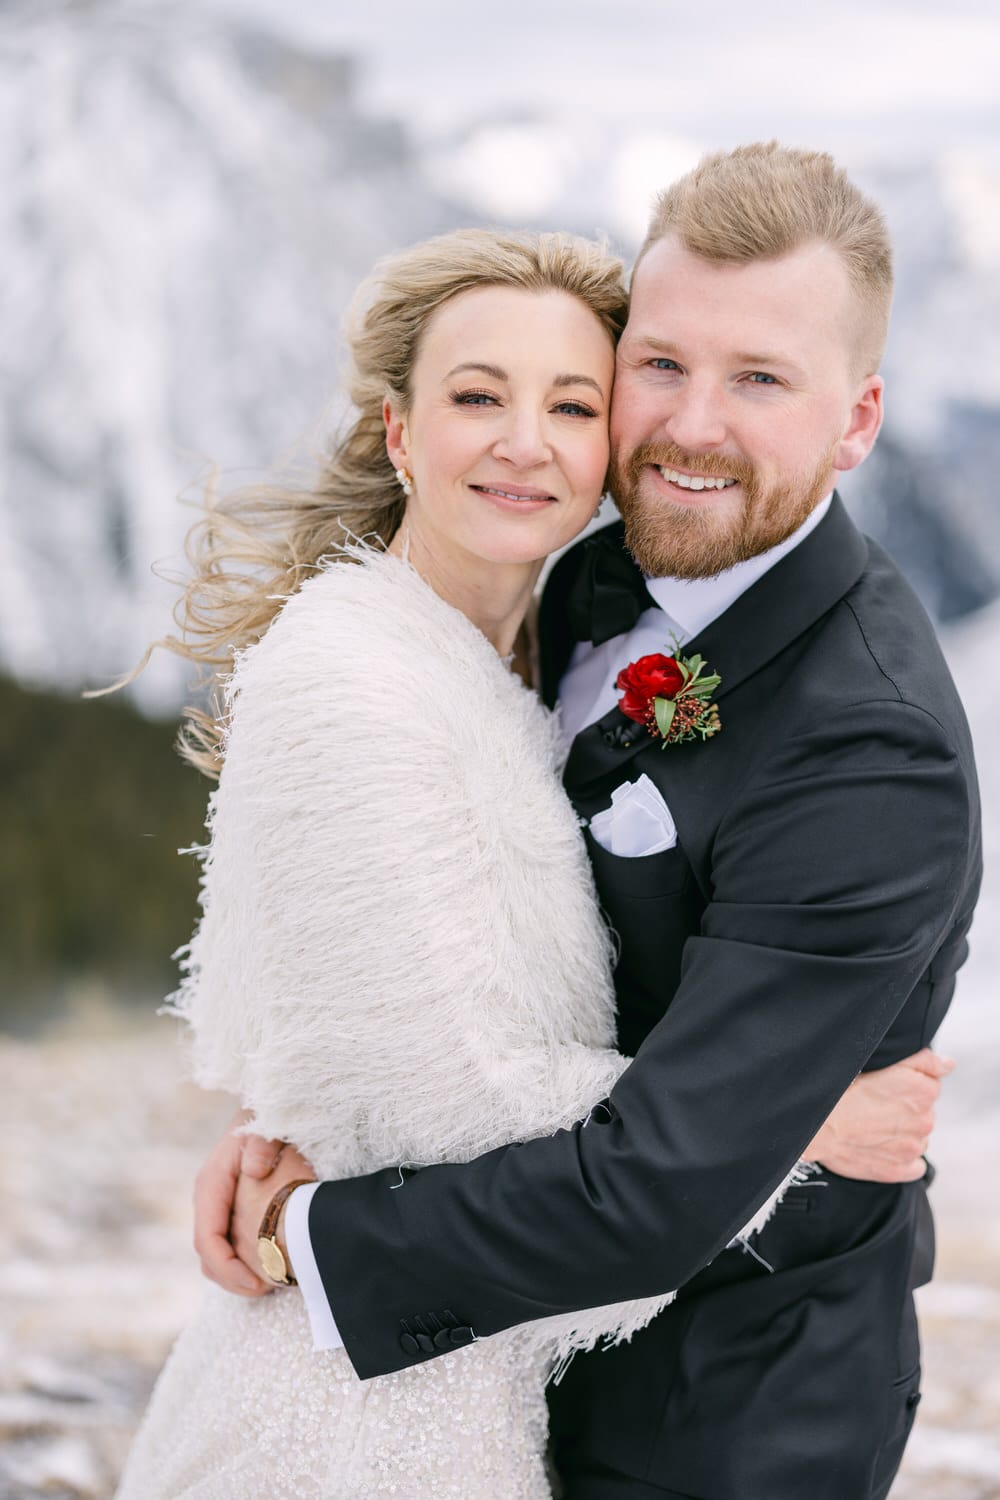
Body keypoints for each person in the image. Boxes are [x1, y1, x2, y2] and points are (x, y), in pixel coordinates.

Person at [202, 145, 982, 1500]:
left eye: (760, 381)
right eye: (662, 364)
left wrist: (309, 1234)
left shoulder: (870, 750)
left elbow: (654, 1192)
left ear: (855, 423)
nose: (689, 427)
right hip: (495, 1363)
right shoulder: (601, 566)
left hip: (718, 1413)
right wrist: (332, 1108)